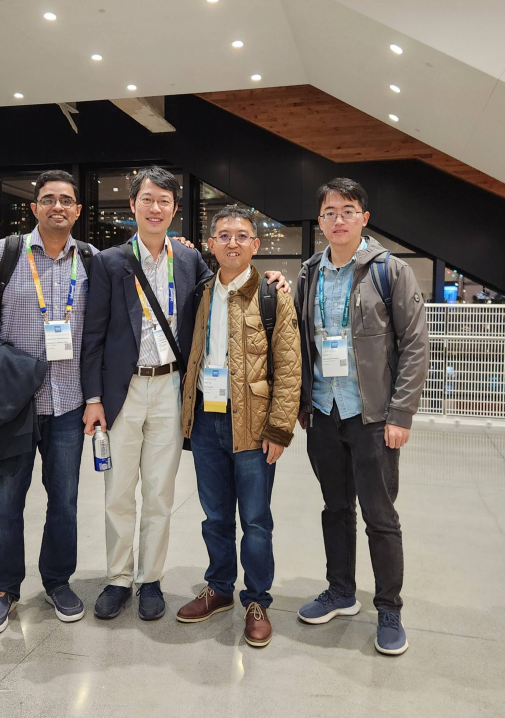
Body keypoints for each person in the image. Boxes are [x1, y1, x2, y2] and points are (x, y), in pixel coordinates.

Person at [81, 167, 289, 622]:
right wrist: (93, 398)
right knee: (118, 491)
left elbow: (234, 283)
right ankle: (118, 578)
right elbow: (91, 335)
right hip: (124, 391)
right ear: (133, 204)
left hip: (175, 388)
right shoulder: (110, 261)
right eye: (147, 200)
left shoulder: (190, 260)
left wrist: (275, 278)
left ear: (175, 210)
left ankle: (150, 579)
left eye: (165, 202)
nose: (156, 209)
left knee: (159, 492)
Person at [293, 177, 428, 656]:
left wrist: (401, 414)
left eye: (347, 210)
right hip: (324, 411)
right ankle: (341, 591)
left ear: (364, 218)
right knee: (335, 508)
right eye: (329, 212)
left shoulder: (390, 270)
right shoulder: (309, 272)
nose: (338, 220)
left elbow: (414, 347)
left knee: (380, 516)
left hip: (371, 415)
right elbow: (297, 342)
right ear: (321, 220)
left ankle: (389, 608)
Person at [0, 170, 95, 633]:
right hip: (12, 406)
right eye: (48, 199)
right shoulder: (4, 255)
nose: (57, 206)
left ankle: (58, 581)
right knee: (6, 502)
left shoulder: (93, 261)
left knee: (64, 501)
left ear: (78, 211)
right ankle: (4, 589)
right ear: (35, 207)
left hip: (68, 405)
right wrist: (10, 366)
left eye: (66, 200)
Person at [175, 206, 300, 648]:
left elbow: (288, 366)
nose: (232, 242)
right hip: (207, 421)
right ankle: (220, 588)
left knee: (256, 520)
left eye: (242, 235)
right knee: (214, 516)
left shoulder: (273, 295)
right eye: (223, 235)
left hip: (254, 424)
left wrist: (279, 429)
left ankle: (257, 600)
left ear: (255, 245)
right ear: (210, 245)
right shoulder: (201, 293)